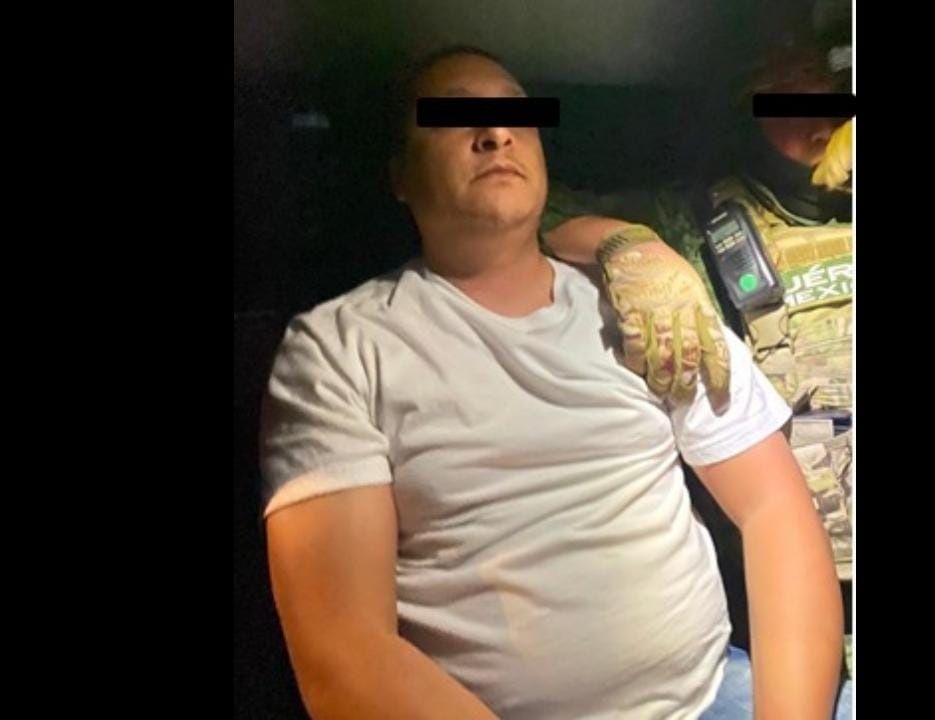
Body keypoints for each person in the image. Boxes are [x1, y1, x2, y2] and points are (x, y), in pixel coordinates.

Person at [260, 45, 848, 719]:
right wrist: (622, 235)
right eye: (451, 117)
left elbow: (775, 511)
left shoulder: (651, 302)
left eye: (517, 115)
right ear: (399, 176)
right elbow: (345, 654)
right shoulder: (340, 348)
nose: (496, 133)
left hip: (714, 695)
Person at [542, 40, 856, 679]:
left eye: (830, 93)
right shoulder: (701, 221)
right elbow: (532, 214)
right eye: (787, 99)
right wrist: (627, 244)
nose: (818, 119)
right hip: (809, 585)